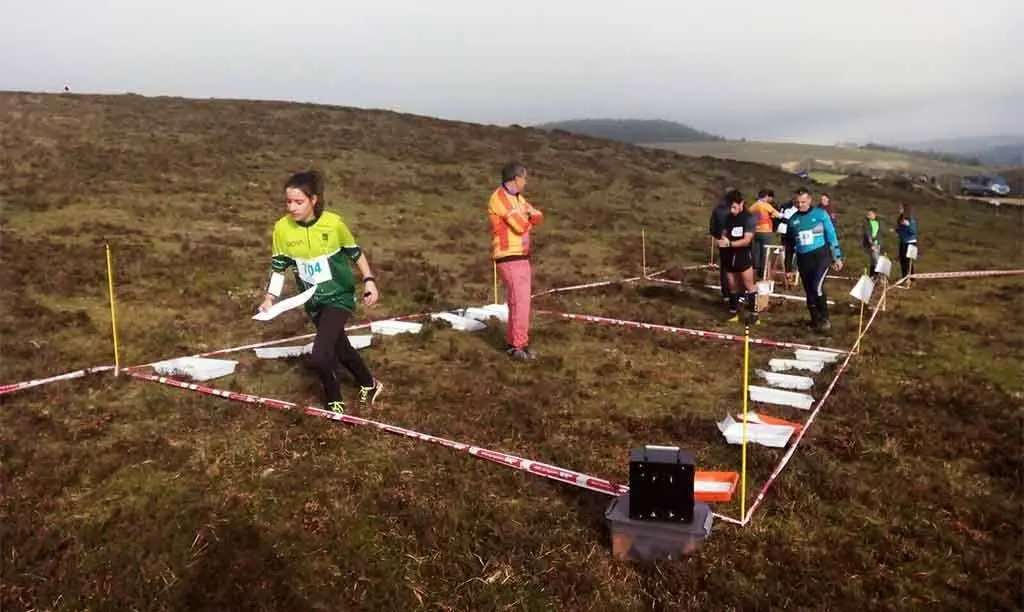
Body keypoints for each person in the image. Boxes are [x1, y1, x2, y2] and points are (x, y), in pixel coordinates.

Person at [257, 170, 384, 413]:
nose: (292, 207)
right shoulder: (282, 228)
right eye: (288, 201)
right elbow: (279, 267)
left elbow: (355, 253)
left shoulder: (333, 224)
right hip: (313, 301)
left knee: (319, 356)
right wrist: (270, 298)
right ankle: (370, 384)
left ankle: (335, 402)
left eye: (299, 202)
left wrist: (369, 281)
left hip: (339, 296)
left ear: (314, 200)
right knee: (340, 348)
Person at [488, 162, 544, 361]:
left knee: (521, 302)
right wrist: (527, 217)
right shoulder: (500, 198)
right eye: (524, 178)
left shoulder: (518, 199)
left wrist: (527, 216)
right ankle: (516, 345)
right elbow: (520, 225)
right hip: (508, 256)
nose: (526, 182)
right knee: (519, 302)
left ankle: (518, 343)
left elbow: (538, 216)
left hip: (521, 255)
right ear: (516, 178)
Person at [786, 187, 844, 332]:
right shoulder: (792, 221)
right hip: (803, 259)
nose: (800, 205)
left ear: (810, 200)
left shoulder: (820, 214)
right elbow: (789, 247)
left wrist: (837, 257)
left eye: (803, 202)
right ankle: (815, 320)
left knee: (817, 287)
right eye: (797, 202)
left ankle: (825, 319)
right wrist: (788, 268)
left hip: (820, 257)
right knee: (809, 291)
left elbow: (831, 235)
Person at [716, 189, 759, 324]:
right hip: (729, 255)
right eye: (730, 207)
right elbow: (724, 233)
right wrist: (722, 240)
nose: (732, 210)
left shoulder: (749, 218)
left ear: (741, 204)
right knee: (732, 285)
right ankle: (733, 311)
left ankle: (754, 313)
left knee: (748, 284)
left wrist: (729, 244)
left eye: (734, 207)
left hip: (743, 254)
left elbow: (747, 240)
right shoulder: (728, 217)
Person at [708, 186, 735, 300]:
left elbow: (712, 227)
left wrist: (718, 237)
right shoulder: (735, 209)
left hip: (722, 240)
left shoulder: (717, 208)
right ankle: (735, 293)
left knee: (724, 267)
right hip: (735, 240)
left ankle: (726, 293)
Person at [748, 189, 780, 279]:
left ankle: (755, 271)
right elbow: (777, 214)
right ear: (766, 197)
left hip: (755, 231)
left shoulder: (753, 206)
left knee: (756, 252)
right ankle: (763, 273)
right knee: (765, 253)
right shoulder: (765, 205)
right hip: (766, 231)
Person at [776, 195, 799, 287]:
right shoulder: (786, 207)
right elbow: (781, 218)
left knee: (799, 254)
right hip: (787, 234)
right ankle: (788, 274)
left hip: (797, 234)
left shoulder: (800, 208)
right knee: (788, 254)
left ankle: (795, 272)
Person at [895, 203, 919, 283]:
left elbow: (913, 232)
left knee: (908, 261)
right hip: (902, 242)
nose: (899, 210)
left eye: (900, 208)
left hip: (910, 243)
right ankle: (904, 277)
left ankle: (911, 278)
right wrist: (897, 230)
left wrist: (908, 225)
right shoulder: (900, 218)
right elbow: (900, 230)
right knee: (902, 260)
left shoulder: (911, 220)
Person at [861, 208, 883, 279]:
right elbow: (868, 234)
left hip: (877, 244)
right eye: (868, 214)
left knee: (874, 260)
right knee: (875, 260)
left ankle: (874, 276)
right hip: (871, 244)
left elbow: (879, 233)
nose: (868, 216)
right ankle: (877, 275)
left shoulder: (878, 222)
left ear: (874, 215)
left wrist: (878, 242)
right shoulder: (866, 223)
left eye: (870, 214)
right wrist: (871, 244)